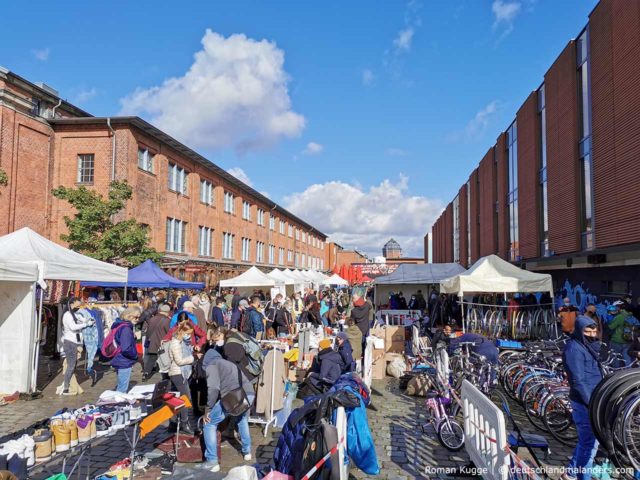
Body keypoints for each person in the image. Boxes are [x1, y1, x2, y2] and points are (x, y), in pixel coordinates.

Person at [199, 345, 255, 472]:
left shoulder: (212, 365)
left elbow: (213, 389)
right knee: (241, 419)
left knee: (209, 423)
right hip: (248, 393)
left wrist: (208, 409)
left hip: (234, 397)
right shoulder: (227, 363)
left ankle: (212, 461)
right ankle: (247, 452)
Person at [563, 316, 602, 480]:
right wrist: (591, 403)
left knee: (586, 442)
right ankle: (581, 477)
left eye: (594, 331)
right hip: (584, 403)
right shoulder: (574, 349)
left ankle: (571, 472)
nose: (592, 334)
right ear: (579, 330)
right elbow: (577, 381)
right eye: (587, 331)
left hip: (593, 399)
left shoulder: (587, 346)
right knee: (590, 445)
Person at [60, 297, 93, 395]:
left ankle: (68, 385)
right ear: (71, 304)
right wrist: (86, 324)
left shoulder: (72, 314)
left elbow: (77, 324)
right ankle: (66, 387)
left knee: (72, 365)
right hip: (70, 342)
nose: (78, 307)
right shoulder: (67, 315)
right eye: (77, 305)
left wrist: (85, 321)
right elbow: (73, 327)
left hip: (74, 342)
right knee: (71, 366)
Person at [168, 323, 195, 434]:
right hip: (177, 373)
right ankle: (184, 423)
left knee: (177, 398)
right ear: (182, 332)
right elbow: (179, 361)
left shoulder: (182, 342)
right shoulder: (175, 343)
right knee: (185, 398)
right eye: (188, 333)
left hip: (182, 373)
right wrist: (192, 359)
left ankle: (173, 423)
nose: (189, 336)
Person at [110, 307, 140, 393]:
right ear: (129, 316)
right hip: (124, 360)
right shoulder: (126, 329)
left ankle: (117, 402)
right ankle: (118, 404)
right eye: (136, 317)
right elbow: (126, 348)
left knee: (121, 385)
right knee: (122, 389)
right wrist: (135, 355)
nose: (138, 320)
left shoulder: (119, 325)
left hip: (119, 358)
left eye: (138, 317)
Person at [143, 304, 172, 380]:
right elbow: (169, 333)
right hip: (162, 343)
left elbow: (148, 332)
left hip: (152, 341)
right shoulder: (167, 320)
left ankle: (146, 373)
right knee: (164, 359)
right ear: (167, 312)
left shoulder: (152, 319)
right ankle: (165, 376)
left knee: (152, 358)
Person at [606, 301, 631, 366]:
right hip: (628, 339)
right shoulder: (630, 315)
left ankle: (616, 373)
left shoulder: (619, 317)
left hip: (617, 340)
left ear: (618, 308)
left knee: (615, 358)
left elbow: (611, 327)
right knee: (627, 357)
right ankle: (630, 372)